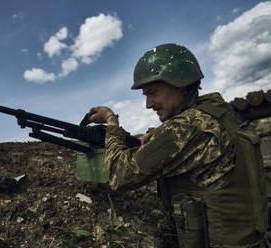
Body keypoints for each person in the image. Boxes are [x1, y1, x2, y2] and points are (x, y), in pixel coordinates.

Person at [87, 43, 269, 248]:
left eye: (152, 92)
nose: (148, 104)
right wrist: (154, 137)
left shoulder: (185, 127)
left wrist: (112, 122)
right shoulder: (217, 111)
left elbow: (120, 176)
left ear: (180, 84)